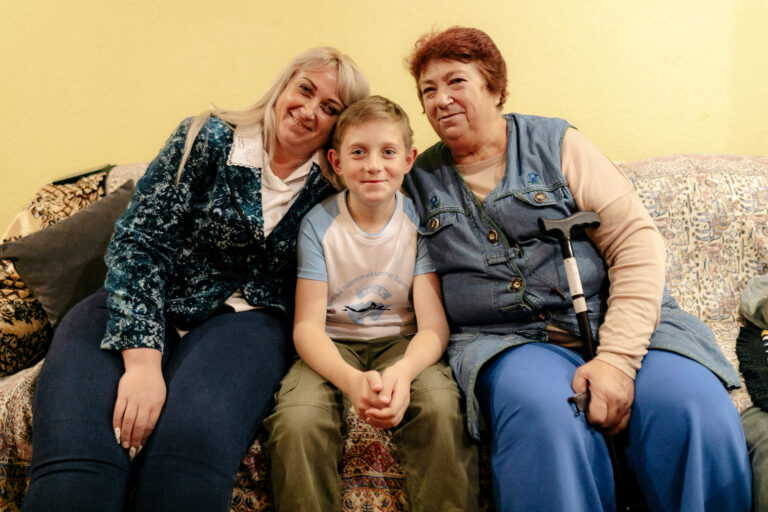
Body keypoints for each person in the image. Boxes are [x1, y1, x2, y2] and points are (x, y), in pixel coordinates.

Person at [401, 26, 751, 511]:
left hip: (620, 324)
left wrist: (617, 359)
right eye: (428, 91)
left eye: (456, 82)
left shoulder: (558, 143)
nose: (441, 99)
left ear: (495, 89)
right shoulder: (416, 180)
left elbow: (636, 243)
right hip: (507, 342)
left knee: (694, 409)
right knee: (546, 417)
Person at [22, 47, 369, 512]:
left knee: (183, 470)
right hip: (137, 304)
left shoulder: (335, 185)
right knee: (76, 476)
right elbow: (140, 242)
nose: (309, 111)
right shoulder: (206, 136)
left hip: (246, 323)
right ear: (284, 85)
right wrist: (143, 363)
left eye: (330, 109)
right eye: (305, 90)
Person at [263, 95, 478, 511]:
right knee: (297, 421)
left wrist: (403, 372)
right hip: (332, 344)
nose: (374, 165)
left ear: (409, 159)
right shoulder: (318, 224)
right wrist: (349, 381)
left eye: (388, 152)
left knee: (440, 406)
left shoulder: (420, 222)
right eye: (358, 152)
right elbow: (307, 327)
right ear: (336, 162)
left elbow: (433, 327)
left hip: (403, 341)